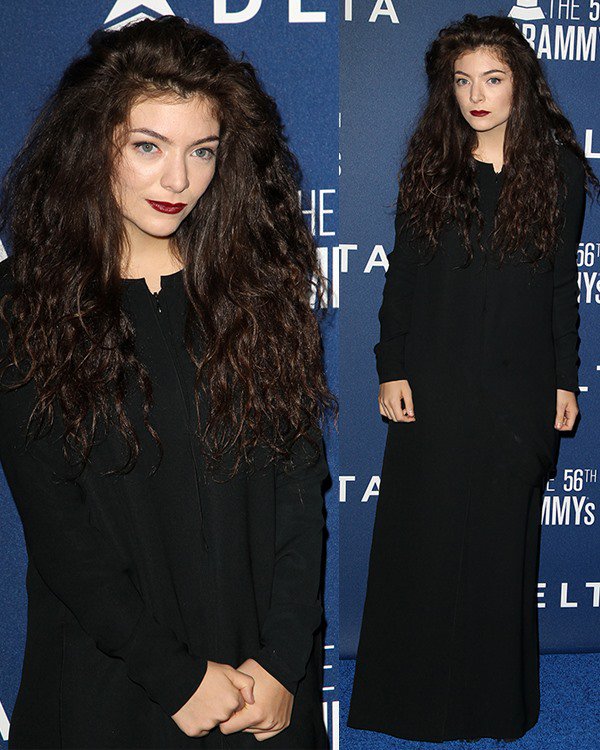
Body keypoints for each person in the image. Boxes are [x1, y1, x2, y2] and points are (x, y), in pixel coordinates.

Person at [0, 16, 335, 750]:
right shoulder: (21, 308)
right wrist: (176, 676)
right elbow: (59, 532)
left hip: (261, 691)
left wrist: (284, 663)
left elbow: (299, 495)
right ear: (92, 148)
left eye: (202, 151)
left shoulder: (261, 293)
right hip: (112, 682)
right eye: (148, 147)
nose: (178, 180)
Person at [347, 13, 596, 744]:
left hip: (517, 392)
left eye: (491, 79)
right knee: (422, 544)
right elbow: (405, 279)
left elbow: (560, 289)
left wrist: (565, 381)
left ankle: (494, 706)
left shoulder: (557, 175)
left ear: (520, 85)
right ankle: (411, 706)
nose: (476, 95)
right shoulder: (431, 165)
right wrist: (390, 365)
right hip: (436, 382)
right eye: (462, 81)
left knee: (496, 553)